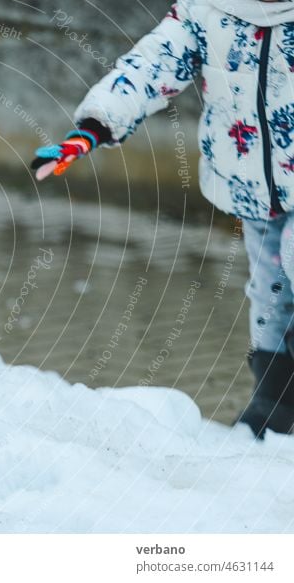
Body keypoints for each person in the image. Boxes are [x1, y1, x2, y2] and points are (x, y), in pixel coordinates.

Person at [32, 0, 294, 438]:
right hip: (250, 181)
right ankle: (275, 398)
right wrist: (95, 125)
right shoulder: (206, 9)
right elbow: (153, 63)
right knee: (269, 289)